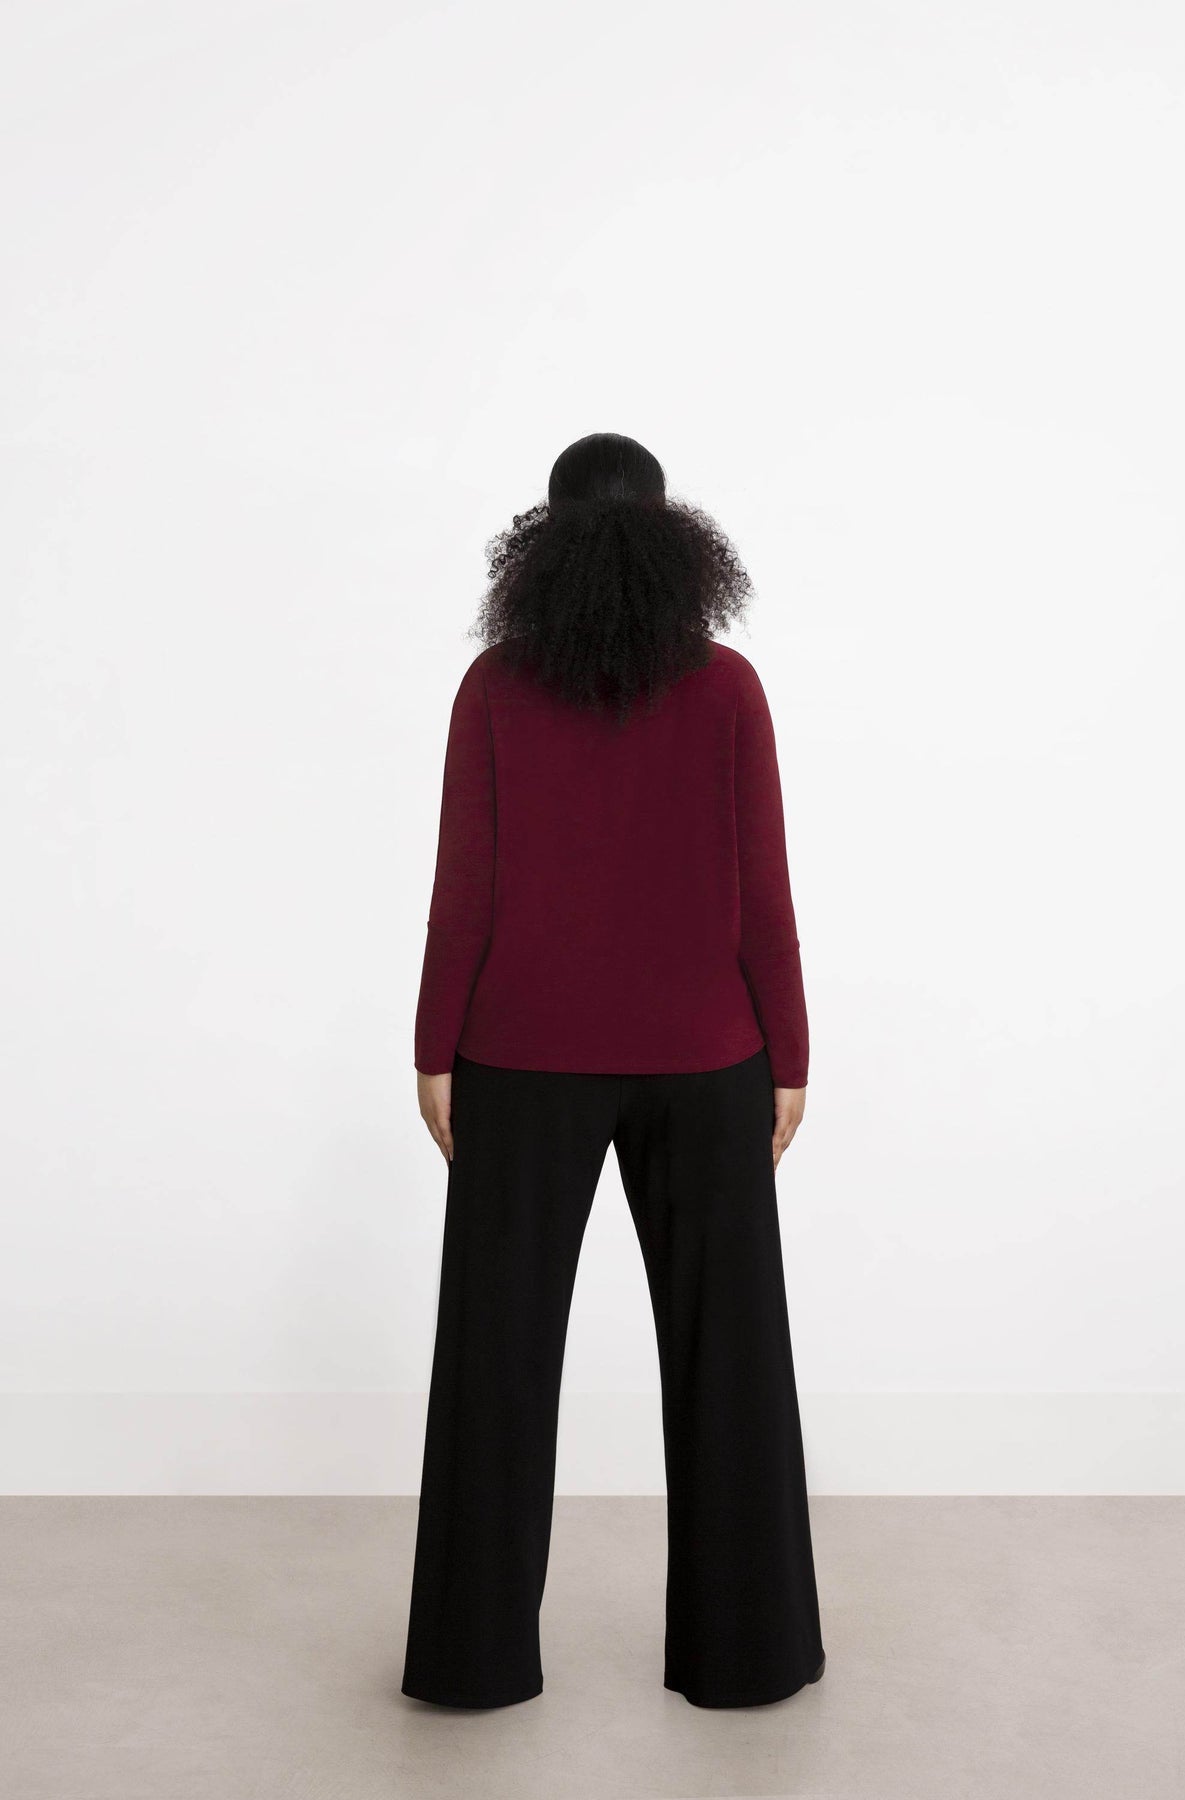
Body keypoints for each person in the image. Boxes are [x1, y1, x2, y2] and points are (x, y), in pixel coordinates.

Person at [401, 432, 825, 1710]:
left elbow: (463, 890)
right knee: (731, 1355)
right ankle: (749, 1656)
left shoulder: (496, 687)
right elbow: (764, 891)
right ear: (674, 539)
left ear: (540, 545)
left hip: (519, 1056)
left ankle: (472, 1664)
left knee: (495, 1358)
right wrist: (790, 1050)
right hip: (709, 1057)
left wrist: (433, 1046)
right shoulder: (727, 687)